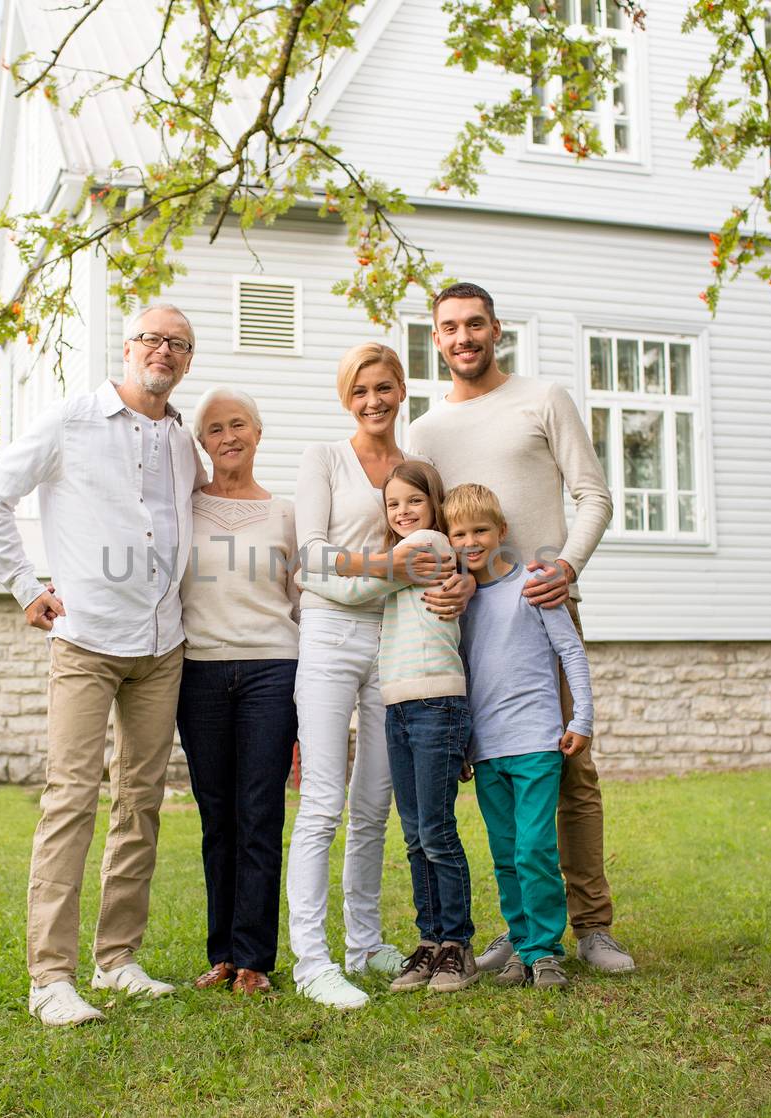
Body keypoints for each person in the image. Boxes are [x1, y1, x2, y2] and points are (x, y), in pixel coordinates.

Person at [0, 304, 206, 1027]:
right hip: (85, 640)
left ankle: (118, 960)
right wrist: (24, 585)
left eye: (177, 344)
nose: (162, 351)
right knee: (70, 801)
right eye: (151, 339)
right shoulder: (72, 419)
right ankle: (50, 978)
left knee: (141, 804)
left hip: (161, 646)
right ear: (128, 347)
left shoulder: (183, 442)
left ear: (186, 360)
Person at [406, 282, 636, 975]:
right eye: (449, 327)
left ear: (496, 330)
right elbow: (423, 527)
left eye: (475, 324)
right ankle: (519, 927)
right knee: (496, 774)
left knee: (569, 767)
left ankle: (592, 926)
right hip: (467, 626)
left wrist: (566, 566)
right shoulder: (425, 431)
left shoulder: (543, 399)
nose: (463, 337)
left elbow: (593, 494)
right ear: (436, 338)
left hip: (542, 610)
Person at [288, 342, 466, 1011]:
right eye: (361, 390)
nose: (373, 401)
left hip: (395, 643)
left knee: (373, 808)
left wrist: (462, 583)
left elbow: (446, 549)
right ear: (346, 396)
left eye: (385, 387)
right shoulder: (324, 459)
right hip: (331, 636)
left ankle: (364, 944)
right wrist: (387, 568)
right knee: (324, 802)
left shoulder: (417, 468)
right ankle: (313, 960)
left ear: (401, 390)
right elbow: (309, 559)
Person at [311, 461, 477, 994]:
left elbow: (358, 591)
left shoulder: (428, 545)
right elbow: (374, 586)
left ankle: (458, 945)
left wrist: (307, 577)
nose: (403, 513)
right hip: (400, 706)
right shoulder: (402, 555)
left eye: (414, 501)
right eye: (393, 505)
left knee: (437, 831)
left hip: (436, 705)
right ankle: (429, 943)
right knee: (414, 834)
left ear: (433, 506)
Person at [176, 387, 299, 996]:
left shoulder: (285, 513)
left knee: (259, 814)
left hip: (272, 671)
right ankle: (221, 953)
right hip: (199, 673)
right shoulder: (183, 508)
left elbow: (302, 601)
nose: (228, 436)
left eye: (239, 424)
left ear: (257, 432)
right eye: (215, 429)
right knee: (215, 817)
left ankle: (254, 960)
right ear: (202, 443)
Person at [447, 483, 594, 988]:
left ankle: (545, 950)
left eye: (481, 530)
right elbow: (462, 674)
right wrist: (464, 744)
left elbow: (571, 653)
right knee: (506, 852)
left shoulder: (532, 586)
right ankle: (521, 942)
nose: (471, 541)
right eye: (459, 533)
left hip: (536, 742)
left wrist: (582, 721)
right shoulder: (459, 605)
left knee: (535, 848)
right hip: (487, 750)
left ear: (501, 532)